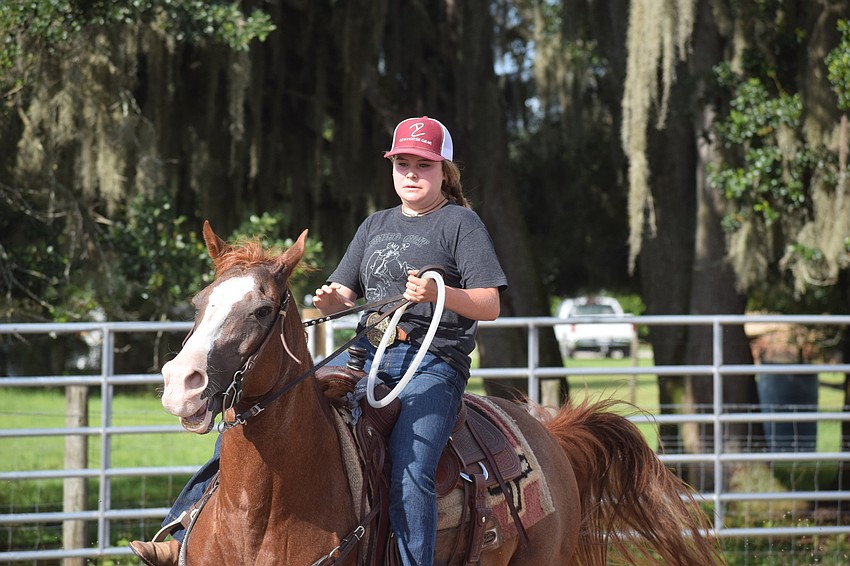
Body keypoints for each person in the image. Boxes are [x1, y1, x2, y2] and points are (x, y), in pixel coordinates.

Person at [130, 116, 507, 566]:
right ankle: (182, 530)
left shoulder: (460, 224)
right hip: (367, 356)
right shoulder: (375, 225)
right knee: (245, 418)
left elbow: (489, 303)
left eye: (422, 165)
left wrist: (438, 293)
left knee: (411, 471)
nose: (410, 174)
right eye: (401, 163)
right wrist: (332, 301)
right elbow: (343, 291)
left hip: (432, 366)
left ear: (443, 170)